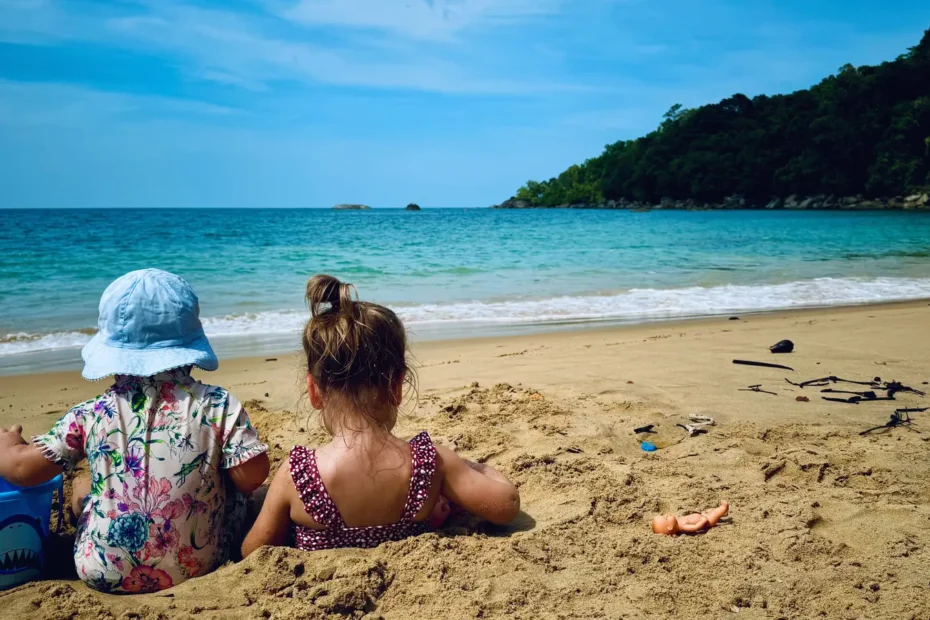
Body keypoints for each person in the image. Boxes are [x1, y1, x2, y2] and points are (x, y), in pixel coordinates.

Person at [0, 269, 269, 593]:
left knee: (85, 487)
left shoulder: (91, 413)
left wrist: (9, 443)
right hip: (198, 565)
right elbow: (253, 476)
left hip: (99, 570)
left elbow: (20, 470)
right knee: (239, 495)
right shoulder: (217, 404)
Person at [241, 275, 520, 557]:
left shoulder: (297, 475)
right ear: (398, 386)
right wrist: (470, 467)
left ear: (314, 391)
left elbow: (254, 552)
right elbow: (505, 505)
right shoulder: (430, 463)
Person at [651, 501, 729, 536]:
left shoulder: (678, 521)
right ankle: (724, 507)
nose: (666, 515)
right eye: (666, 518)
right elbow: (695, 527)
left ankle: (722, 513)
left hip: (702, 515)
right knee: (715, 513)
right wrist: (702, 522)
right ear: (670, 527)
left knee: (711, 512)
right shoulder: (682, 527)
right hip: (707, 521)